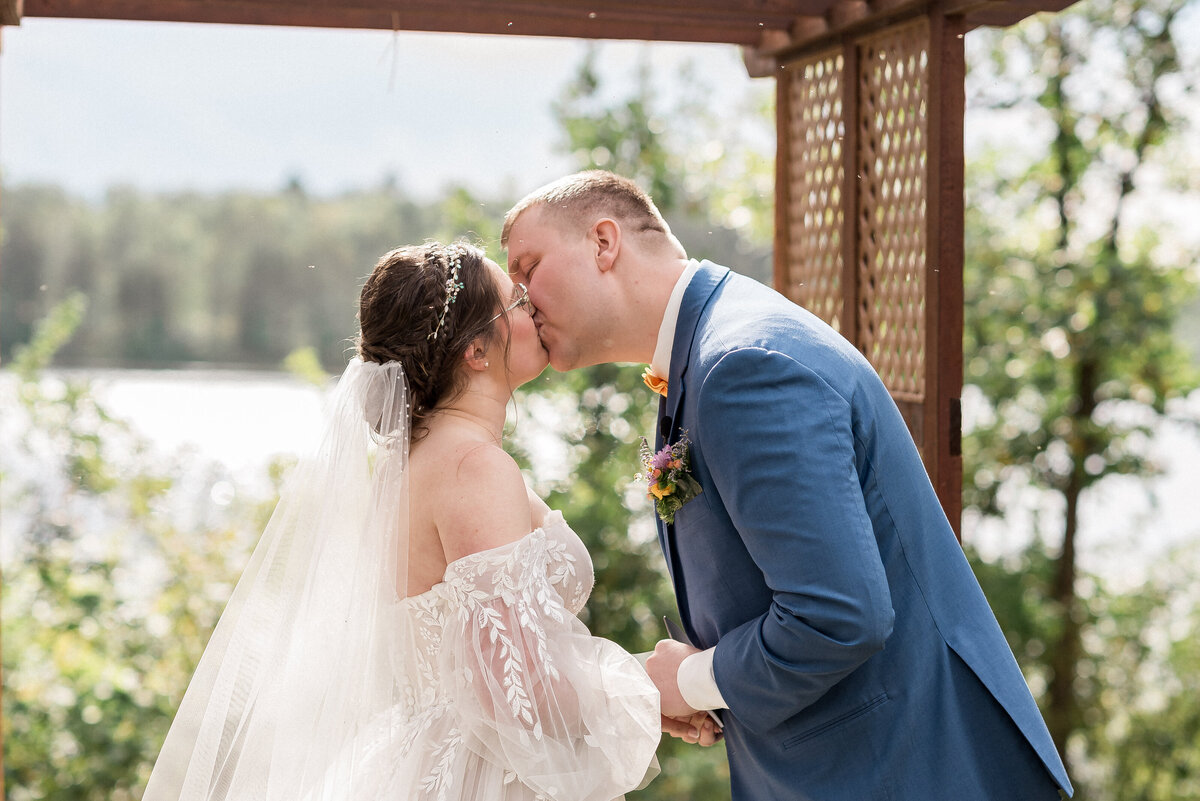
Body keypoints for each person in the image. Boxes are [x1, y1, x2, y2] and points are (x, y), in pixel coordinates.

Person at [502, 171, 1074, 800]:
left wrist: (693, 680)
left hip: (904, 767)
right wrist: (709, 689)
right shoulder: (711, 351)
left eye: (528, 268)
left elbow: (838, 615)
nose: (521, 299)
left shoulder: (743, 365)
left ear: (604, 243)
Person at [143, 241, 664, 801]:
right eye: (513, 301)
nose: (531, 306)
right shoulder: (472, 468)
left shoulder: (418, 462)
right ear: (476, 353)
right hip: (479, 776)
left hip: (420, 757)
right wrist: (656, 691)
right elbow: (512, 688)